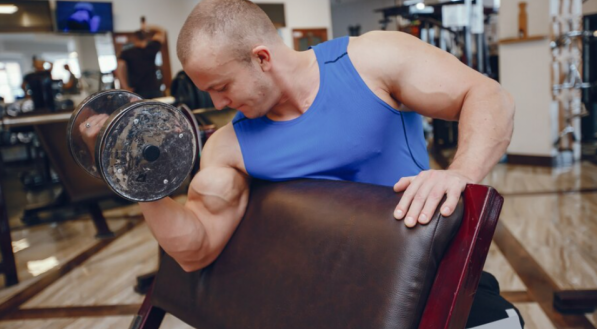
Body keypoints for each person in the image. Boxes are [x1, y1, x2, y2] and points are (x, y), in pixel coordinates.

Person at [140, 0, 520, 327]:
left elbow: (488, 95)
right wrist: (140, 185)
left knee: (500, 324)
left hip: (427, 279)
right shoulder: (229, 147)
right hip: (323, 303)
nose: (219, 104)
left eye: (222, 87)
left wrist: (461, 173)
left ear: (261, 58)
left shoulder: (371, 61)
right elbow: (197, 250)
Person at [115, 21, 165, 99]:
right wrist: (147, 27)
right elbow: (161, 32)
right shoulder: (151, 48)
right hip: (154, 89)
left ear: (134, 39)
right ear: (146, 38)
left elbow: (119, 69)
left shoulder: (127, 53)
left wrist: (125, 87)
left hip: (137, 91)